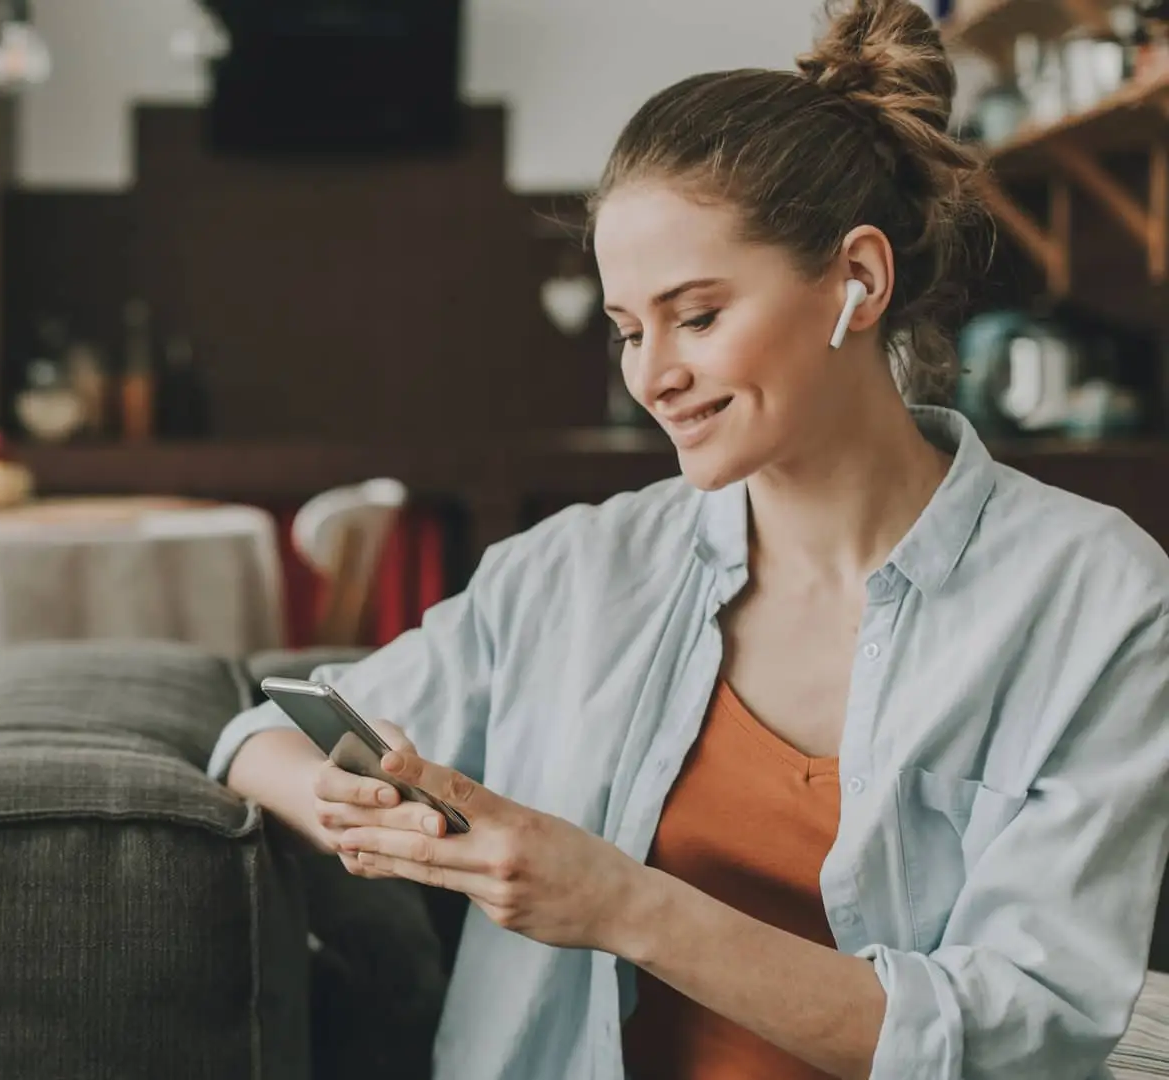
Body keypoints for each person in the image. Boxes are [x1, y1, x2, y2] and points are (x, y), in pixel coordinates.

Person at [207, 1, 1169, 1077]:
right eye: (629, 330)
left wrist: (625, 905)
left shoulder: (1098, 600)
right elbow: (258, 741)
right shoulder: (574, 570)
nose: (652, 376)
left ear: (857, 280)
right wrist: (349, 805)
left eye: (698, 316)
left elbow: (1023, 1030)